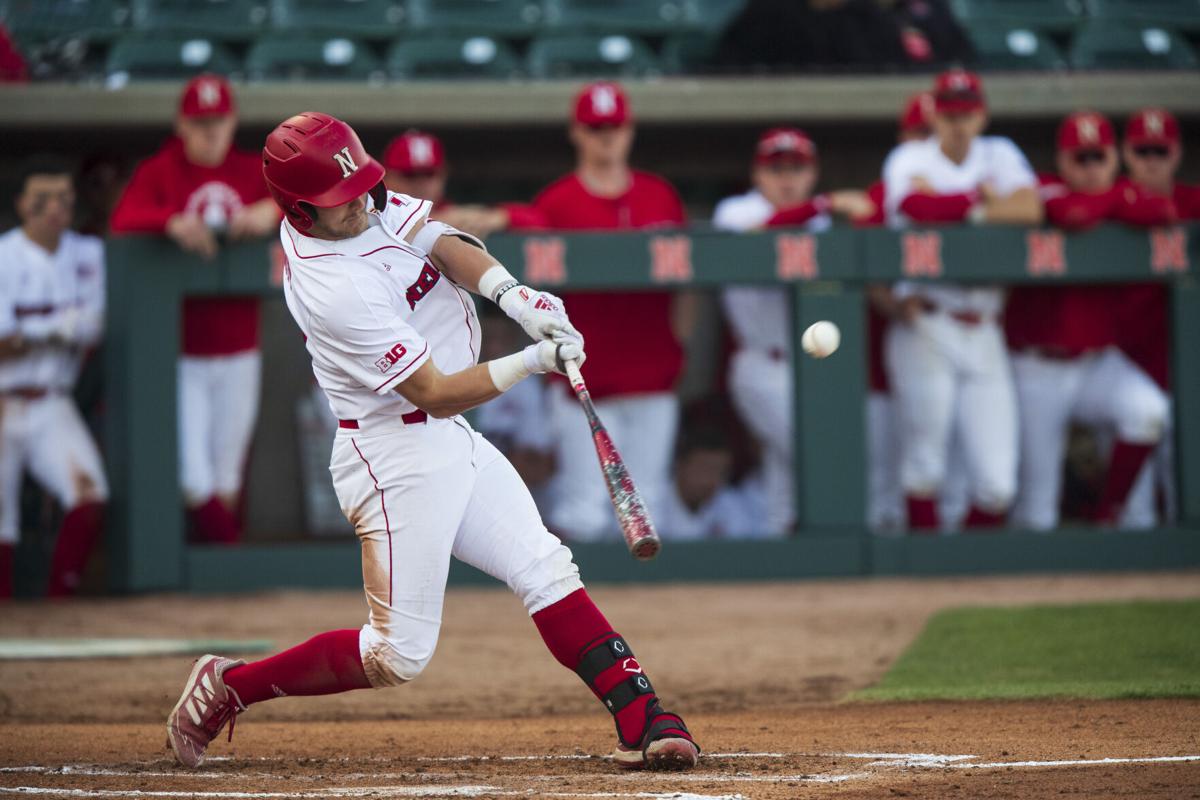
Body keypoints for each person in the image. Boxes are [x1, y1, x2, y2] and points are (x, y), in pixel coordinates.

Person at [165, 112, 699, 773]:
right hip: (393, 455)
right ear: (299, 210)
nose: (362, 203)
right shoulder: (330, 284)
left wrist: (513, 294)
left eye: (361, 185)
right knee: (397, 656)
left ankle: (643, 716)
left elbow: (440, 237)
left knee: (544, 567)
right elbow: (435, 390)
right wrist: (532, 362)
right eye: (340, 200)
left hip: (449, 436)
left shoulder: (365, 197)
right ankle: (229, 686)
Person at [110, 74, 279, 544]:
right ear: (181, 124)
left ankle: (216, 584)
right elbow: (123, 220)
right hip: (182, 351)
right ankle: (232, 560)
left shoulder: (254, 170)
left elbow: (309, 204)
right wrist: (168, 221)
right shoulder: (160, 171)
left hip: (241, 345)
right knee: (192, 479)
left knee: (226, 478)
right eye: (200, 122)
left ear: (233, 121)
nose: (210, 131)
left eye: (218, 121)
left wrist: (272, 209)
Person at [529, 81, 693, 542]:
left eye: (614, 126)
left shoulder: (660, 195)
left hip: (652, 374)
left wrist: (677, 346)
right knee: (584, 511)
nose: (606, 137)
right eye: (596, 127)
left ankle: (651, 614)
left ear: (629, 130)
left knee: (651, 505)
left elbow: (688, 286)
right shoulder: (555, 202)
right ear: (577, 132)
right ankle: (583, 612)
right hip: (584, 380)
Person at [881, 69, 1042, 532]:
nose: (958, 123)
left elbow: (1030, 210)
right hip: (928, 318)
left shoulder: (1001, 153)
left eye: (967, 112)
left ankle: (968, 577)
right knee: (925, 466)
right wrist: (981, 202)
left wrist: (958, 209)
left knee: (997, 485)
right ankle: (927, 574)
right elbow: (916, 207)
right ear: (934, 114)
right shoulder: (911, 156)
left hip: (986, 324)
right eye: (949, 112)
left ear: (982, 114)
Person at [1006, 111, 1173, 531]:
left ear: (1114, 157)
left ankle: (1109, 513)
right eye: (1080, 159)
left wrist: (1112, 200)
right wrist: (1117, 201)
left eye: (1099, 157)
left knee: (1148, 409)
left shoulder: (1122, 193)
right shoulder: (1042, 189)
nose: (1091, 168)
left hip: (1096, 364)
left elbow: (1165, 210)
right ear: (1062, 160)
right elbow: (1073, 217)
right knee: (1036, 508)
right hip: (1037, 369)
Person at [713, 127, 870, 535]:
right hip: (762, 363)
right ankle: (825, 544)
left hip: (817, 365)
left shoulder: (822, 224)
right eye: (776, 168)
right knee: (816, 451)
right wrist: (825, 204)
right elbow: (761, 238)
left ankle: (780, 556)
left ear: (812, 172)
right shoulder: (736, 212)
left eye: (797, 168)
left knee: (785, 471)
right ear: (757, 174)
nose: (787, 178)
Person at [0, 156, 107, 597]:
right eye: (44, 199)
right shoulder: (4, 255)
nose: (55, 209)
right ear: (22, 204)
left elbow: (95, 325)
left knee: (89, 495)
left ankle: (59, 603)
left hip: (51, 400)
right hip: (3, 399)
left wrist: (32, 334)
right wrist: (55, 328)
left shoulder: (88, 253)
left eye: (64, 198)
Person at [1117, 108, 1200, 526]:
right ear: (1126, 154)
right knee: (1137, 510)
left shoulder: (1194, 201)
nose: (1152, 160)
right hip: (1125, 363)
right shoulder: (1113, 201)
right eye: (1142, 150)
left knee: (1186, 481)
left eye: (1160, 151)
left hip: (1183, 363)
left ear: (1177, 153)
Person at [655, 426, 768, 540]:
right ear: (680, 466)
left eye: (720, 472)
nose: (710, 480)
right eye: (703, 469)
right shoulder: (653, 501)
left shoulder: (734, 506)